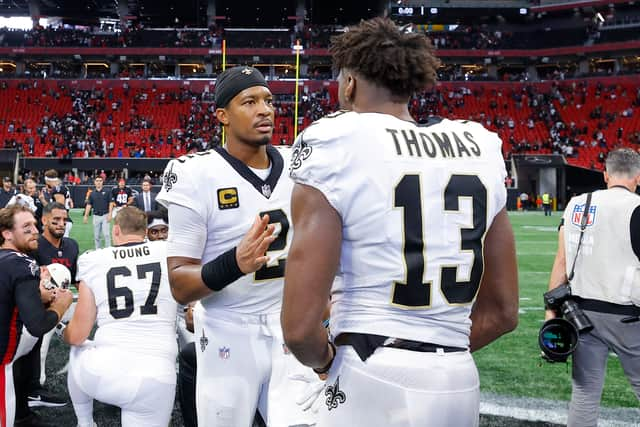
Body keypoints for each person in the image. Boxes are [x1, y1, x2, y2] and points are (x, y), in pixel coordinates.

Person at [282, 17, 519, 427]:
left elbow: (300, 329)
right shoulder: (479, 145)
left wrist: (327, 364)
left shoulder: (336, 141)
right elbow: (502, 311)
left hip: (370, 365)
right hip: (459, 378)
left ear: (350, 82)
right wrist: (437, 355)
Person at [157, 65, 318, 427]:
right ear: (222, 116)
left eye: (268, 100)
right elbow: (180, 285)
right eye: (249, 101)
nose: (264, 110)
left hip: (288, 328)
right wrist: (235, 263)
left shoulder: (301, 164)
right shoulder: (194, 173)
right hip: (227, 331)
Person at [546, 148, 640, 427]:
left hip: (580, 315)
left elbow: (561, 262)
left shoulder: (577, 203)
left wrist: (550, 315)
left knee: (585, 395)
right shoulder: (635, 207)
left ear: (606, 174)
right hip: (628, 316)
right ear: (638, 177)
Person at [63, 207, 178, 427]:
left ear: (116, 230)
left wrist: (62, 331)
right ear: (145, 232)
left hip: (104, 373)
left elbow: (78, 334)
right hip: (157, 375)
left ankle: (85, 422)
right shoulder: (167, 251)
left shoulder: (94, 260)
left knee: (77, 348)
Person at [0, 204, 73, 427]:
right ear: (7, 233)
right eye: (26, 227)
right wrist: (60, 305)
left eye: (34, 224)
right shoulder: (24, 264)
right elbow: (37, 325)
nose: (35, 231)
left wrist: (32, 294)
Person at [83, 176, 111, 249]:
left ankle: (108, 250)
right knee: (97, 236)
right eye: (97, 181)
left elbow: (111, 203)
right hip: (96, 216)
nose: (98, 182)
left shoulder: (107, 191)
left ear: (102, 182)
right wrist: (86, 216)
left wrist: (110, 214)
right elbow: (89, 205)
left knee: (106, 234)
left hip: (105, 215)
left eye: (100, 181)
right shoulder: (92, 193)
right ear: (94, 182)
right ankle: (98, 250)